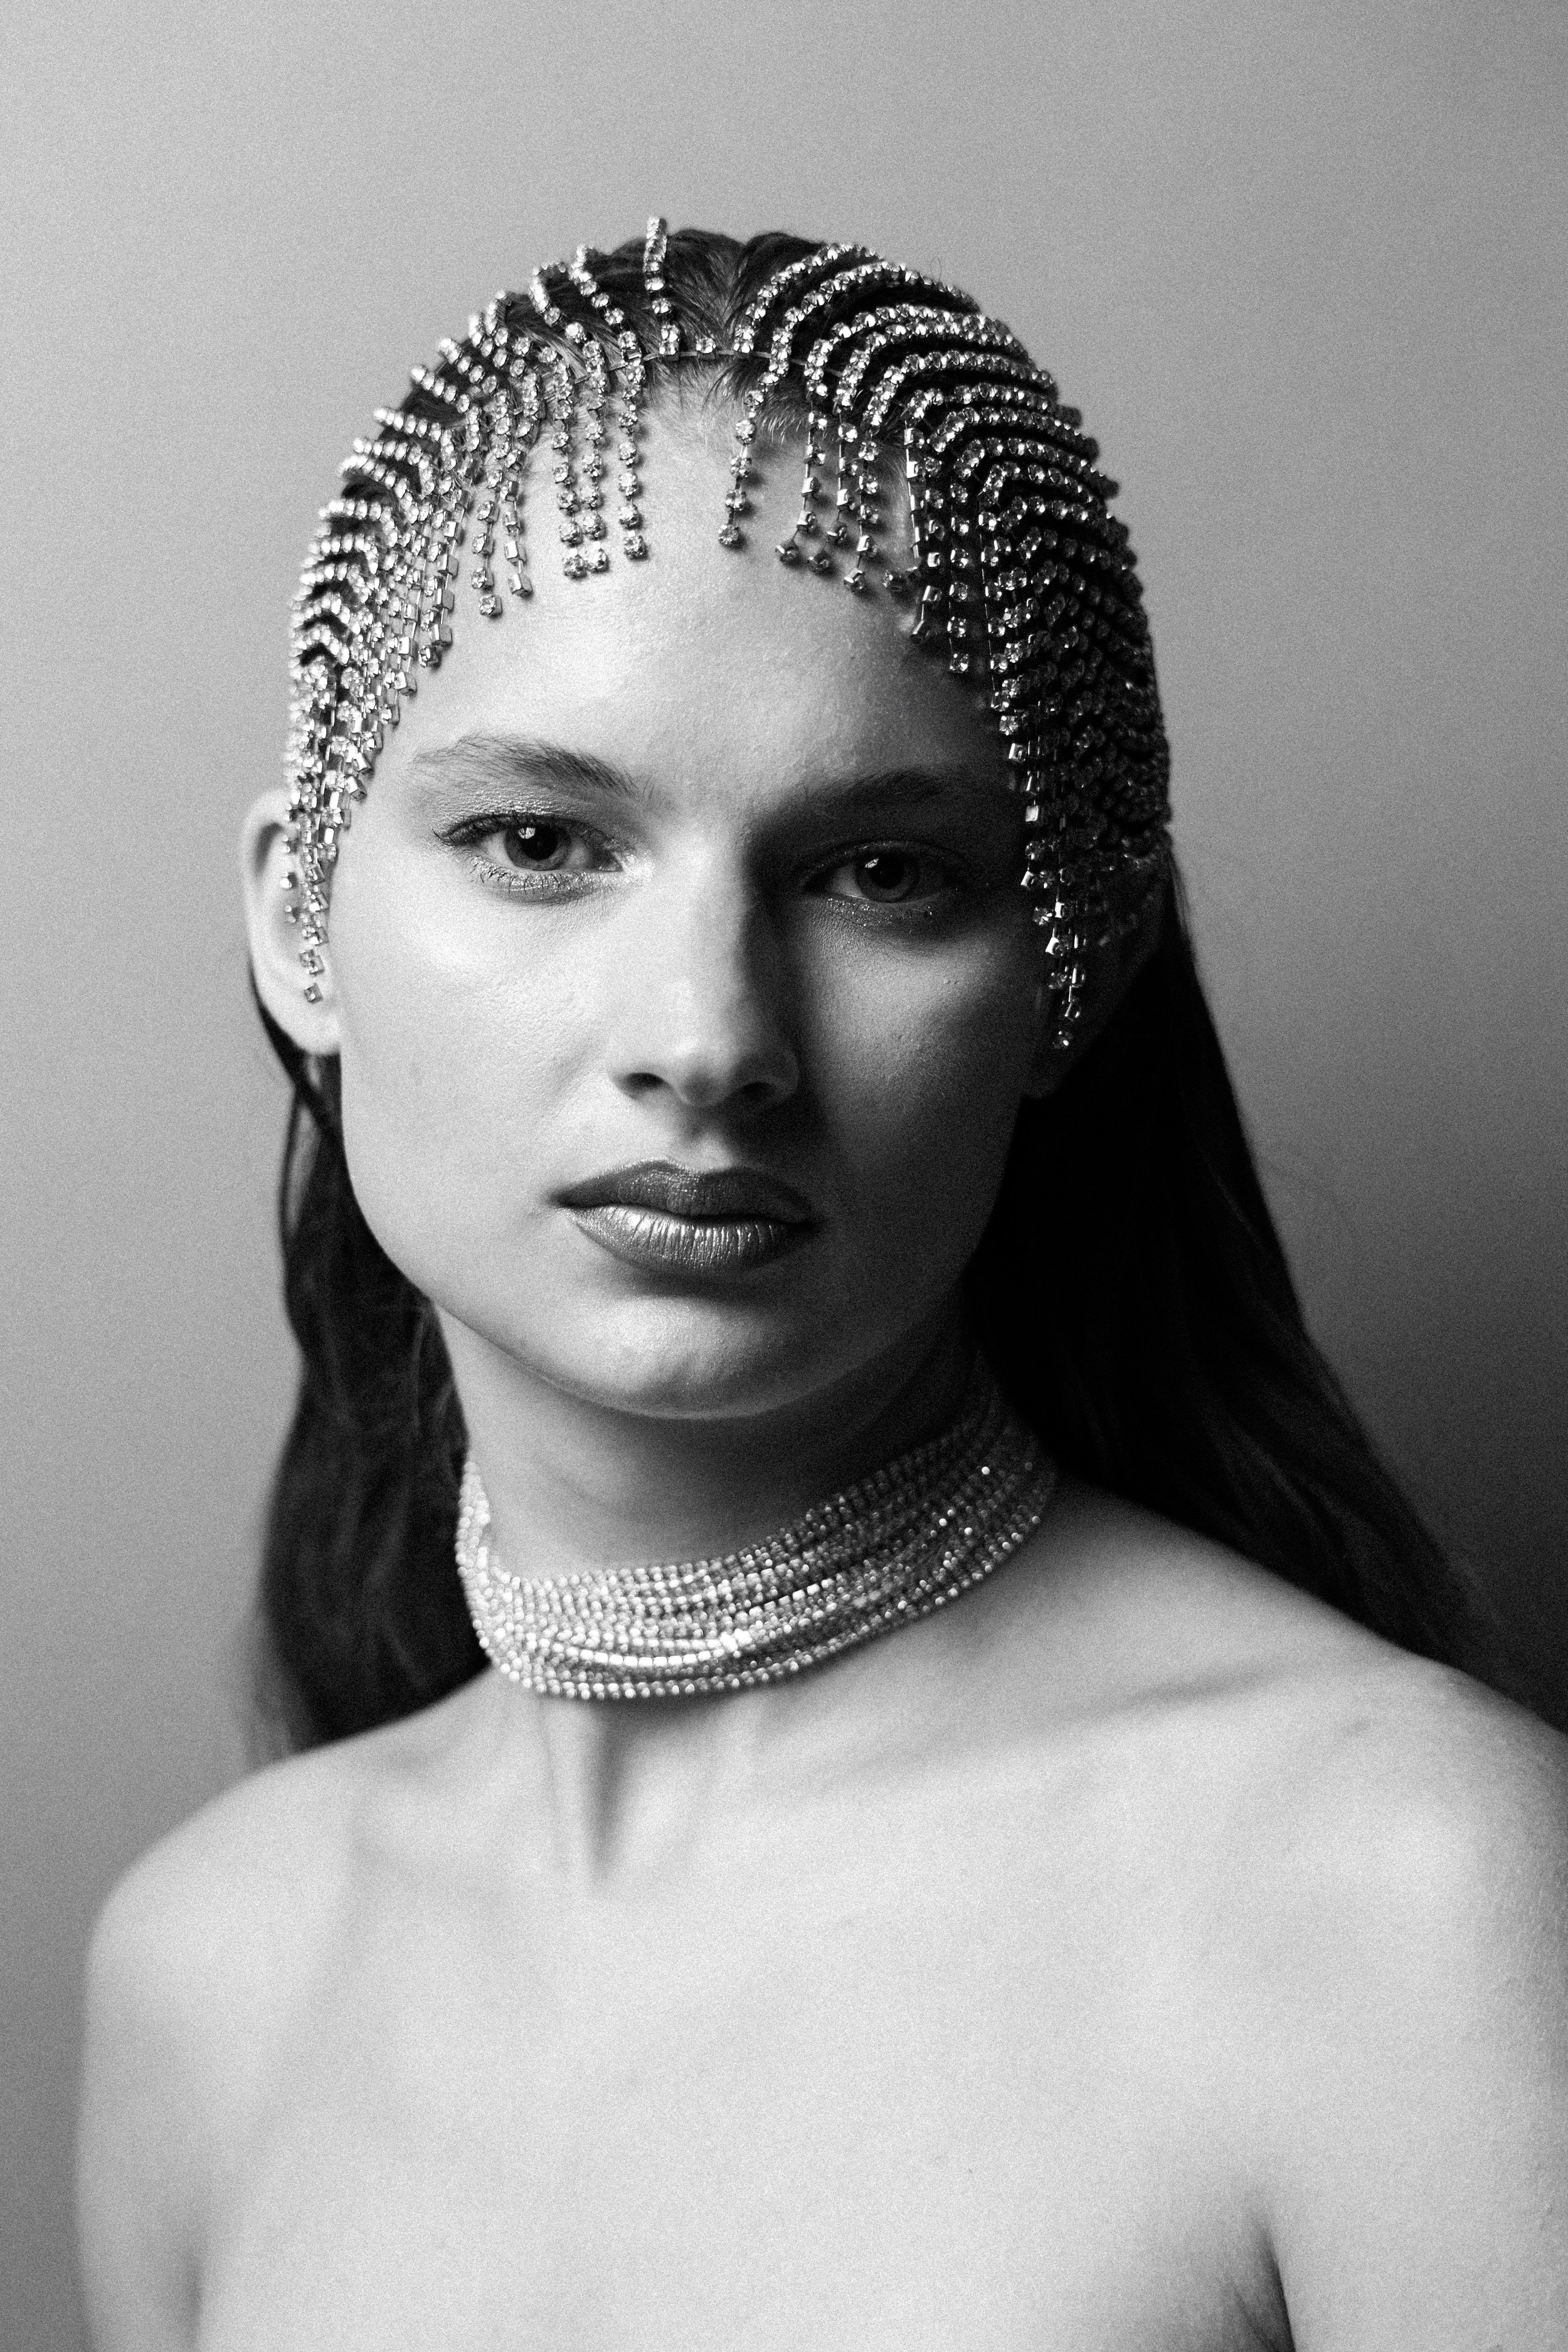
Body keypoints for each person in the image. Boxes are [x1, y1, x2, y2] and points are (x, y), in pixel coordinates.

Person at [78, 223, 1567, 2349]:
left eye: (883, 872)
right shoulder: (205, 1981)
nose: (707, 1034)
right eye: (538, 841)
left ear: (1072, 972)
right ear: (300, 922)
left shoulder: (1409, 1899)